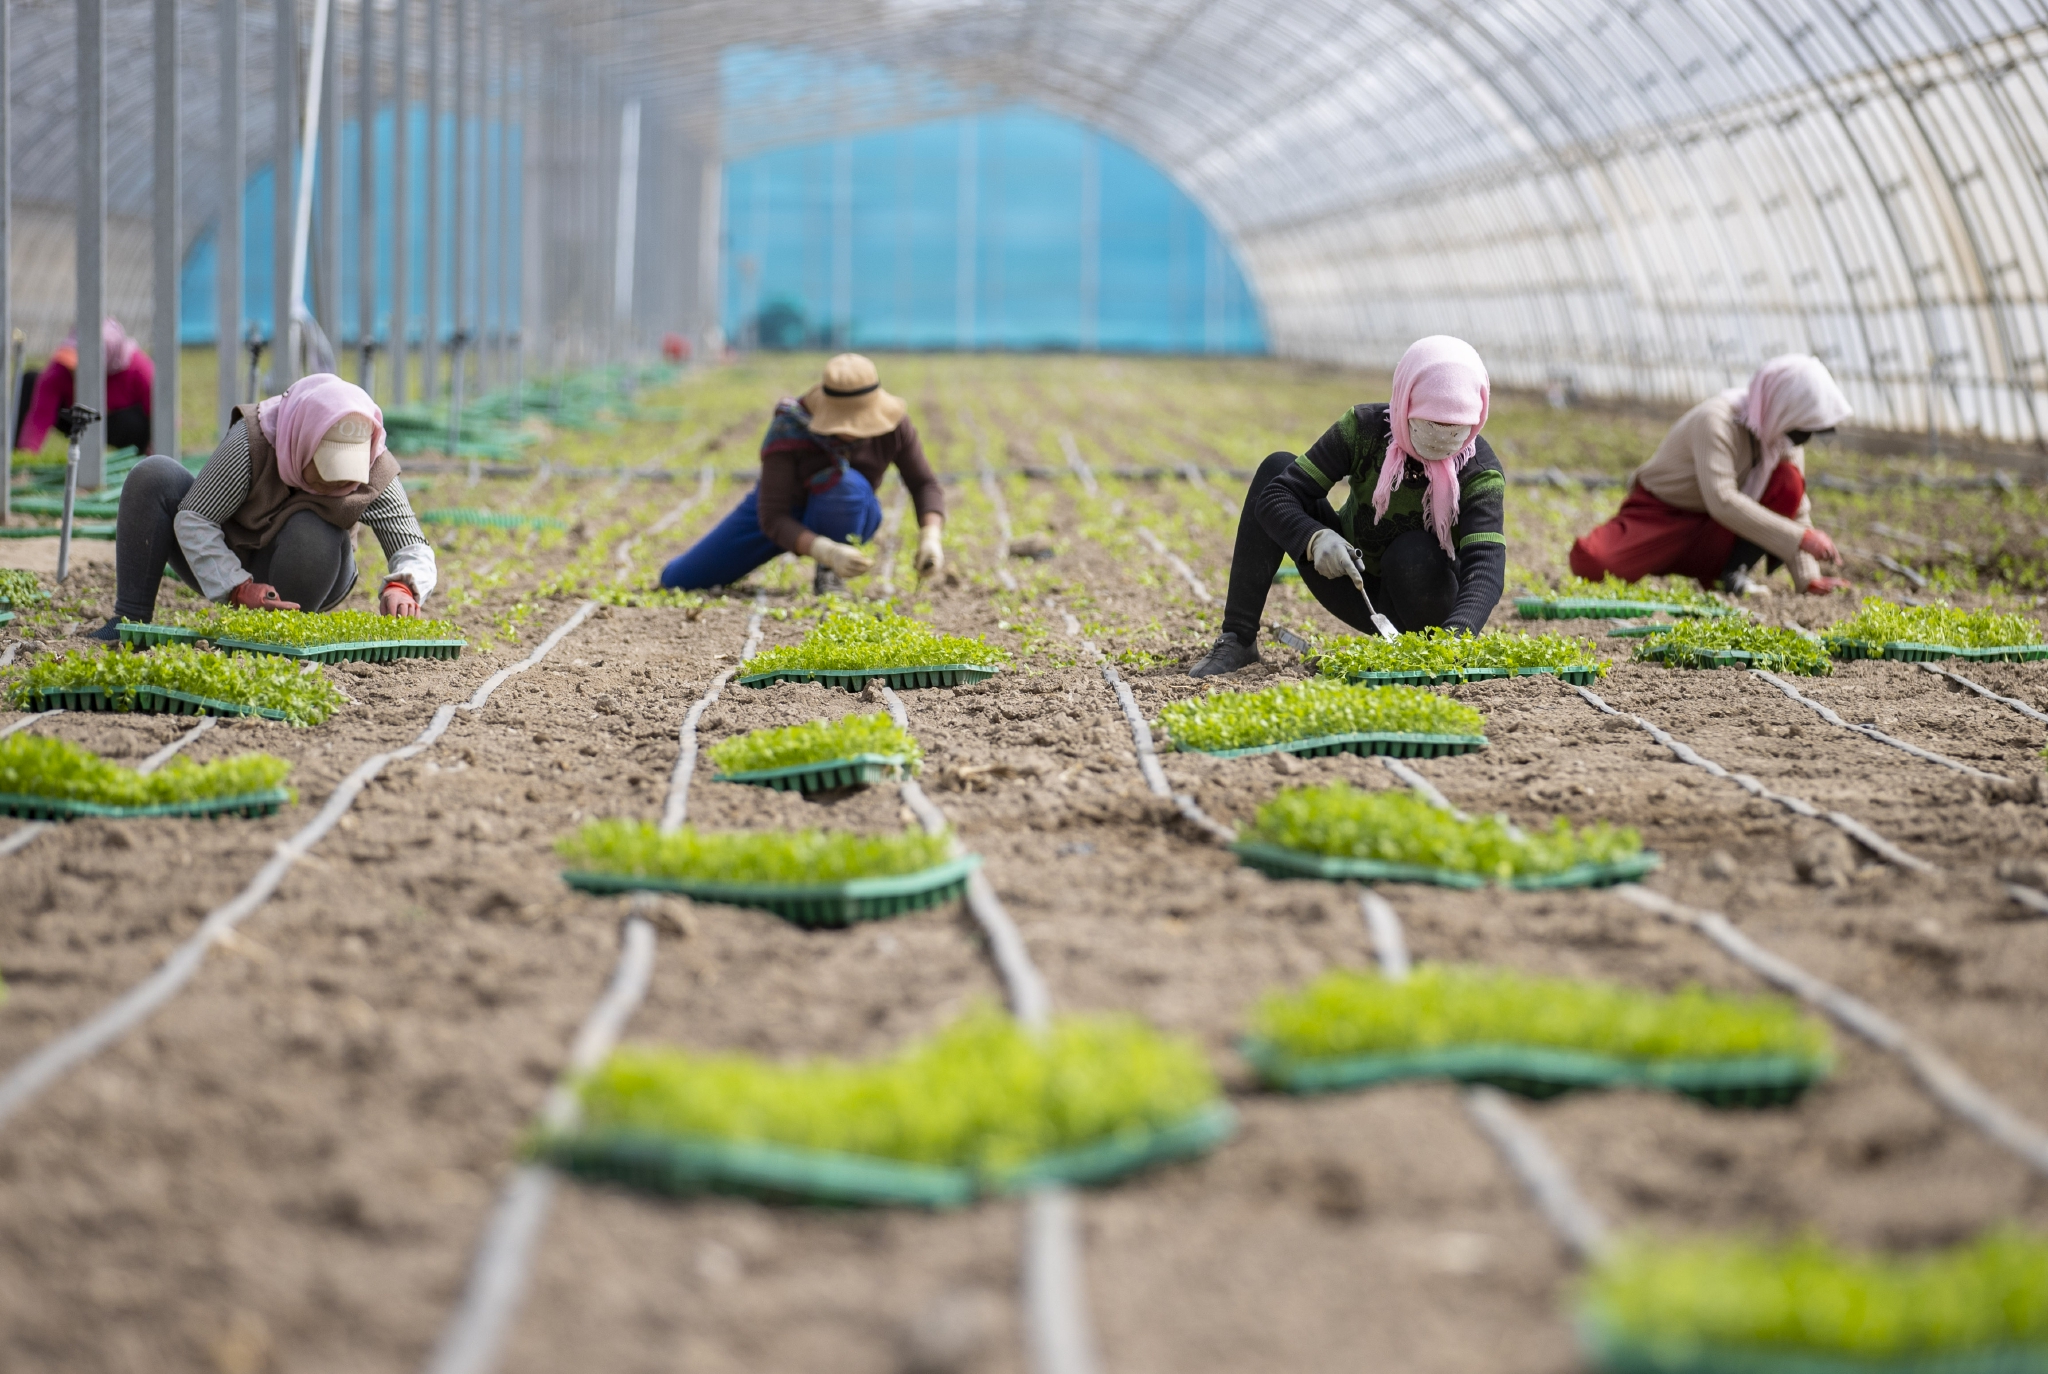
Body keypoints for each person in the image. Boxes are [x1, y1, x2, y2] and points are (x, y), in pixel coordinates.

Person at [1189, 335, 1507, 678]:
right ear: (1404, 404)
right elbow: (1275, 497)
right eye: (1429, 426)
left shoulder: (1479, 470)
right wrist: (1314, 537)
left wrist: (1454, 640)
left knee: (1413, 551)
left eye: (1455, 432)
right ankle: (1238, 637)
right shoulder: (1365, 430)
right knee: (1275, 469)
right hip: (1352, 582)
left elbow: (1486, 566)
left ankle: (1423, 650)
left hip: (1427, 603)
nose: (1440, 442)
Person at [87, 373, 439, 640]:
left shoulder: (374, 464)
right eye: (327, 467)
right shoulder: (254, 440)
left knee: (311, 526)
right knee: (154, 476)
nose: (336, 484)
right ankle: (128, 620)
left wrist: (403, 586)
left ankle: (279, 632)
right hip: (234, 556)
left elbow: (411, 545)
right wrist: (237, 587)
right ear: (301, 440)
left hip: (314, 566)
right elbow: (196, 518)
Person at [660, 353, 945, 595]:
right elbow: (773, 516)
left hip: (845, 508)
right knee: (679, 581)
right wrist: (824, 549)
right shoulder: (791, 429)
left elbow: (923, 484)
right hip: (784, 510)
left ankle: (829, 576)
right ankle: (828, 558)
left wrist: (931, 537)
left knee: (846, 486)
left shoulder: (893, 425)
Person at [1569, 354, 1852, 595]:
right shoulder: (1717, 421)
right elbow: (1722, 500)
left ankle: (1730, 573)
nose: (1803, 438)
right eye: (1804, 428)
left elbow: (1796, 505)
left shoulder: (1780, 437)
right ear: (1783, 408)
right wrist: (1802, 538)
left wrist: (1808, 577)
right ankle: (1682, 563)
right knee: (1593, 562)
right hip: (1664, 517)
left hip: (1719, 531)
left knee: (1789, 481)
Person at [17, 319, 154, 453]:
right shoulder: (62, 368)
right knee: (30, 381)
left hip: (118, 425)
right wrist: (27, 456)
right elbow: (40, 415)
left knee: (138, 422)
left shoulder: (139, 368)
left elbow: (160, 416)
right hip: (77, 418)